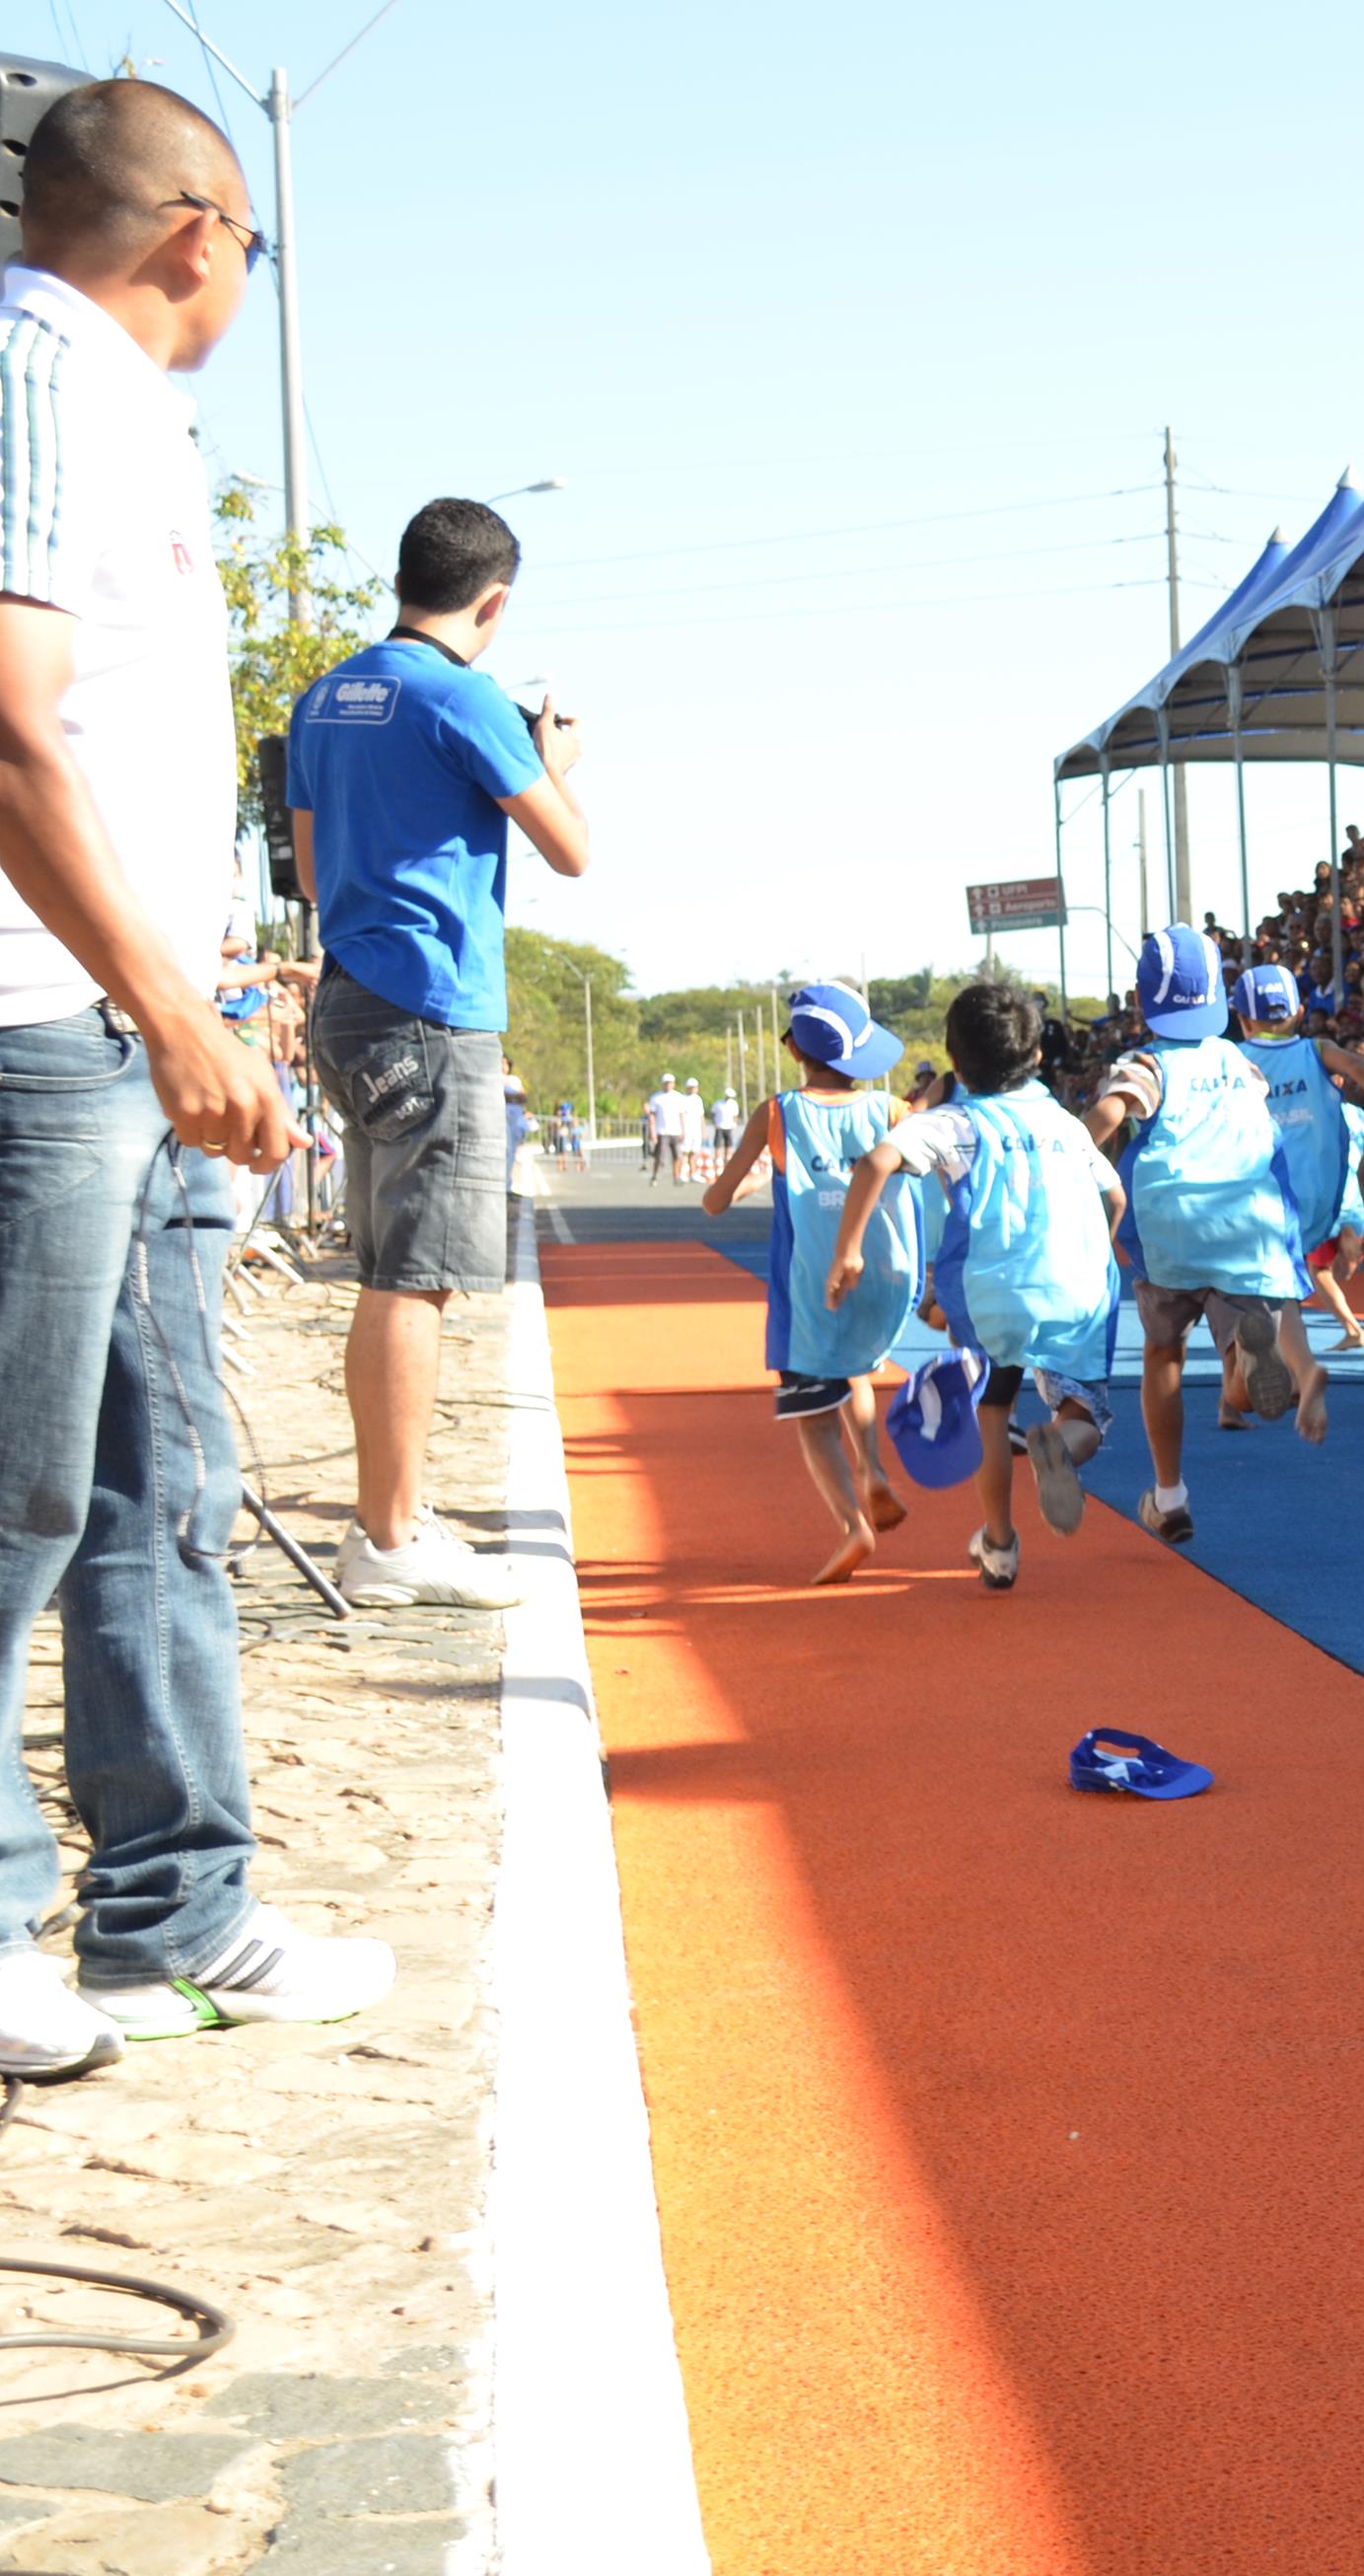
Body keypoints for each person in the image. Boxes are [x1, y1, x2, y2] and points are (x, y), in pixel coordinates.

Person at [0, 79, 400, 2068]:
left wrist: (202, 1002)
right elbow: (7, 726)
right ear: (195, 234)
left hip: (142, 1025)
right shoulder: (36, 373)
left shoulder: (131, 413)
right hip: (38, 1026)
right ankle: (2, 1909)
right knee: (19, 1493)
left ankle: (173, 1910)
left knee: (164, 1485)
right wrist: (161, 1008)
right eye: (254, 241)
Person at [288, 495, 595, 1611]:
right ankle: (391, 1535)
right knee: (418, 1281)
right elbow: (571, 850)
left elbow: (315, 879)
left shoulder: (327, 696)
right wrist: (552, 755)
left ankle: (394, 1520)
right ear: (493, 599)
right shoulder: (463, 698)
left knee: (386, 1272)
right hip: (433, 1010)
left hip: (349, 1001)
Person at [831, 982, 1119, 1591]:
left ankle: (999, 1544)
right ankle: (1062, 1445)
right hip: (1075, 1292)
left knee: (992, 1413)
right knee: (1083, 1410)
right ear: (1038, 1056)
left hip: (990, 1296)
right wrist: (1100, 1252)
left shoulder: (955, 1121)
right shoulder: (1067, 1125)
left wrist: (849, 1251)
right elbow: (1113, 1193)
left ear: (956, 1064)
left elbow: (878, 1161)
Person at [1083, 926, 1320, 1549]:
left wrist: (1074, 1151)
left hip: (1172, 1228)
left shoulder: (1148, 1066)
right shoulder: (1239, 1060)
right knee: (1234, 1330)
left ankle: (1169, 1494)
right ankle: (1241, 1370)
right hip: (1247, 1218)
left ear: (1142, 1003)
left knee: (1163, 1354)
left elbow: (1109, 1116)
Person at [696, 982, 914, 1584]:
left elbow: (716, 1200)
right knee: (858, 1369)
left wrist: (741, 1184)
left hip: (809, 1284)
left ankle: (852, 1525)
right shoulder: (892, 1111)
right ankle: (872, 1468)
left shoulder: (777, 1114)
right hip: (881, 1273)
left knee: (812, 1414)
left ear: (795, 1051)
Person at [1230, 962, 1364, 1365]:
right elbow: (1361, 1068)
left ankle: (1249, 1378)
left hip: (1258, 1193)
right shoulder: (1318, 1050)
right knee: (1287, 1282)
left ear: (1242, 1019)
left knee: (1244, 1288)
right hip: (1316, 1199)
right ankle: (1292, 1365)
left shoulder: (1235, 1059)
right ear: (1298, 1012)